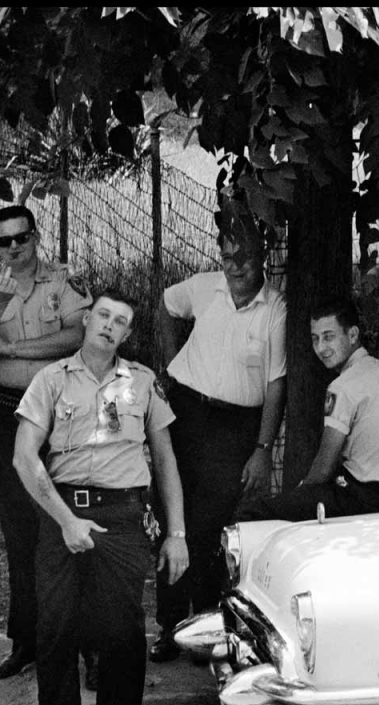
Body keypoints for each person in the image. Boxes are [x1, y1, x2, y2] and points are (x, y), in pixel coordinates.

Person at [0, 289, 189, 705]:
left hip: (123, 515)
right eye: (102, 315)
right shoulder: (50, 380)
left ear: (128, 333)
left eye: (120, 320)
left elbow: (165, 461)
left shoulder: (143, 384)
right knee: (54, 619)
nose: (109, 325)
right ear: (86, 321)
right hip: (61, 511)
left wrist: (178, 534)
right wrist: (65, 521)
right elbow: (24, 458)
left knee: (124, 626)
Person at [0, 205, 93, 681]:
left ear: (36, 237)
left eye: (21, 238)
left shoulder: (62, 282)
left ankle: (82, 641)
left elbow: (79, 335)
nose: (13, 248)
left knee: (67, 523)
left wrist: (15, 348)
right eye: (3, 241)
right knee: (19, 529)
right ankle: (26, 639)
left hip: (55, 412)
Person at [149, 229, 287, 662]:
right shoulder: (205, 287)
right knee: (171, 514)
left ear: (261, 256)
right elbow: (164, 307)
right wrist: (171, 364)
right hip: (187, 410)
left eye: (243, 256)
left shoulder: (276, 309)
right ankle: (169, 627)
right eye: (227, 256)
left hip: (235, 427)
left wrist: (263, 448)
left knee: (208, 527)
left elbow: (276, 383)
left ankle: (205, 629)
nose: (234, 266)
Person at [235, 295, 379, 523]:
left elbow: (324, 467)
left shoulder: (343, 387)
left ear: (353, 335)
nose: (320, 348)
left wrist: (300, 492)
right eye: (315, 339)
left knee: (253, 513)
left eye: (329, 337)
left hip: (367, 498)